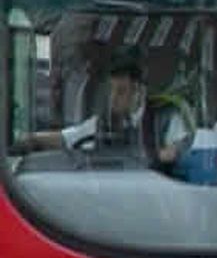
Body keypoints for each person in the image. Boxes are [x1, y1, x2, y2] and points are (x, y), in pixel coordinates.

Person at [18, 47, 191, 169]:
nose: (113, 98)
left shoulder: (166, 116)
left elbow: (182, 148)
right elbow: (67, 138)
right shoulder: (104, 122)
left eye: (121, 91)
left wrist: (162, 155)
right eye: (112, 91)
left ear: (139, 90)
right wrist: (28, 138)